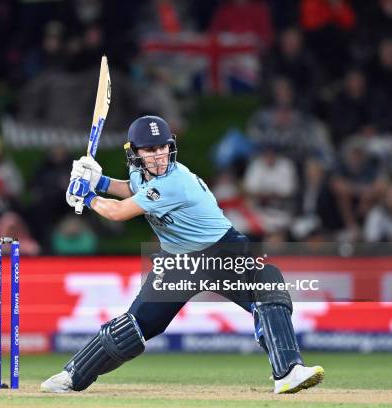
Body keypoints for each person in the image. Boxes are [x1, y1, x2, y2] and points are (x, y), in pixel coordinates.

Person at [41, 115, 324, 394]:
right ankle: (72, 375)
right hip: (178, 262)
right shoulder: (141, 174)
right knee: (134, 326)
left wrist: (87, 197)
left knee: (267, 284)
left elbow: (117, 211)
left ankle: (288, 372)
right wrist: (98, 181)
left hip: (220, 252)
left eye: (163, 147)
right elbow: (132, 188)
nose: (159, 155)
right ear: (135, 153)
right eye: (150, 150)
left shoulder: (175, 182)